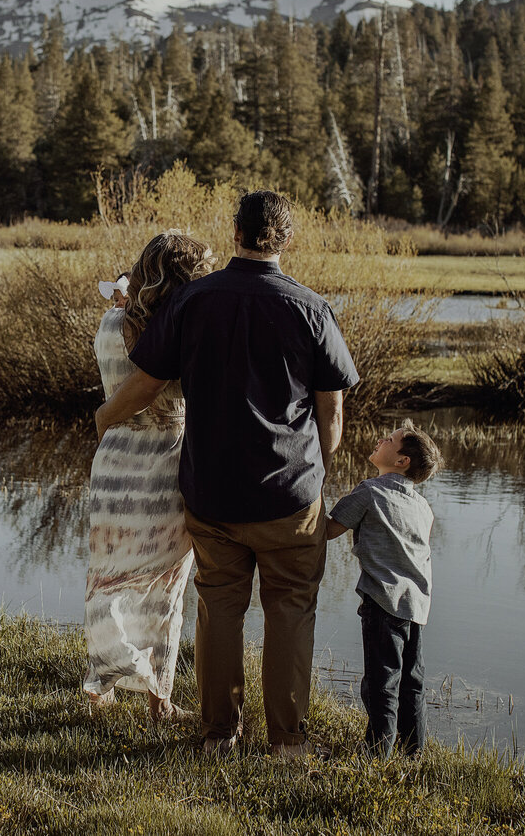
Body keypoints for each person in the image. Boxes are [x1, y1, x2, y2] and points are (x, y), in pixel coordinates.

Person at [95, 190, 358, 757]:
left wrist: (104, 416)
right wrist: (321, 468)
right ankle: (288, 743)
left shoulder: (193, 300)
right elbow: (331, 411)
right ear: (285, 241)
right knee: (289, 608)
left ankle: (219, 734)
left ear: (235, 231)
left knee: (220, 607)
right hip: (289, 494)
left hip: (211, 493)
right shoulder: (311, 308)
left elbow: (145, 383)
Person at [83, 231, 216, 722]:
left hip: (116, 457)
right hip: (166, 460)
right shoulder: (183, 330)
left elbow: (116, 387)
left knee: (107, 575)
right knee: (167, 584)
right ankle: (158, 697)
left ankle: (104, 682)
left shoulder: (111, 320)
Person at [326, 420, 444, 758]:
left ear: (401, 461)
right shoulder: (423, 507)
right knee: (412, 682)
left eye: (389, 440)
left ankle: (377, 755)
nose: (381, 439)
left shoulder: (370, 491)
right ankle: (413, 752)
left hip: (383, 602)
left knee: (381, 684)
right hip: (416, 607)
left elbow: (329, 529)